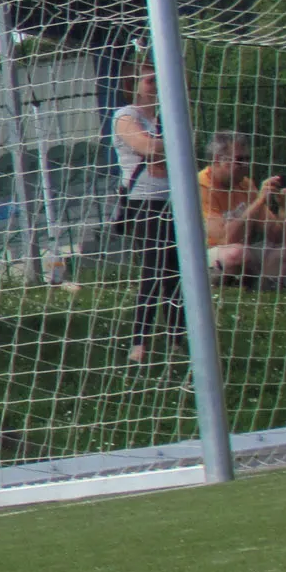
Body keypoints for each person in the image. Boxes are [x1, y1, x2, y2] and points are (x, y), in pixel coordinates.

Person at [112, 61, 183, 363]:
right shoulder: (126, 116)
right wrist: (172, 141)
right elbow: (147, 146)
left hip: (174, 199)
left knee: (176, 272)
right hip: (144, 201)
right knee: (153, 270)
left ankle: (178, 339)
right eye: (150, 80)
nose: (156, 85)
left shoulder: (167, 115)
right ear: (134, 86)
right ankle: (139, 343)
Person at [199, 130, 286, 284]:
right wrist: (259, 202)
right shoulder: (201, 186)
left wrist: (285, 208)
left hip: (245, 252)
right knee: (235, 253)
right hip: (206, 255)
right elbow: (224, 239)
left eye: (248, 159)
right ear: (217, 159)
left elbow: (277, 236)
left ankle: (264, 287)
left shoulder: (245, 184)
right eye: (239, 160)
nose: (246, 165)